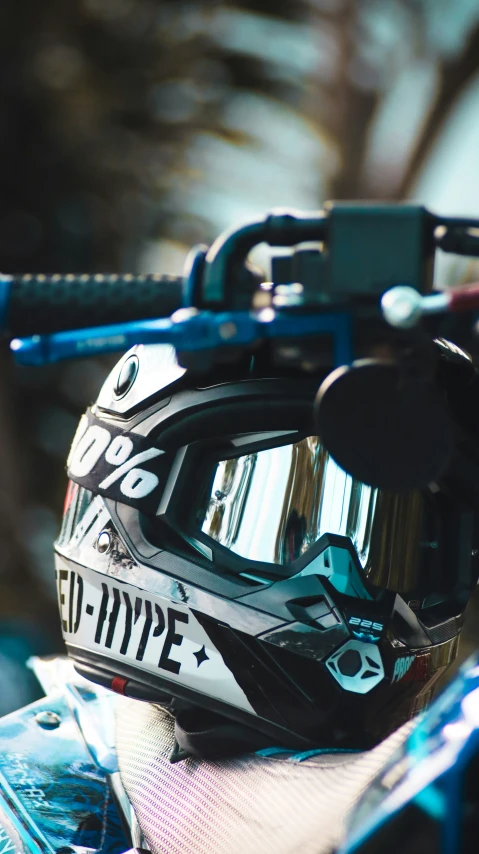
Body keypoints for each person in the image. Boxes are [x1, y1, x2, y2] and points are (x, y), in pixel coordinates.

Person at [2, 336, 478, 854]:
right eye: (281, 529)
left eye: (389, 546)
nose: (343, 582)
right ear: (132, 486)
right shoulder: (35, 806)